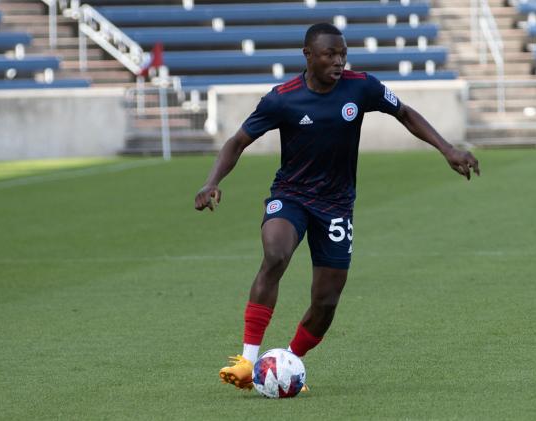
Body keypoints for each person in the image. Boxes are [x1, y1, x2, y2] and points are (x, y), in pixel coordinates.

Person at [194, 22, 480, 391]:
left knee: (326, 301)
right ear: (308, 56)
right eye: (330, 54)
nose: (339, 61)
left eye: (343, 54)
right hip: (291, 195)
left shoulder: (361, 87)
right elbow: (237, 142)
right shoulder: (282, 98)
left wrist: (448, 149)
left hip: (336, 205)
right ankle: (248, 360)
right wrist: (211, 181)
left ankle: (291, 359)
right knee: (276, 254)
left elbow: (405, 113)